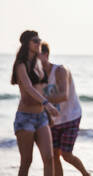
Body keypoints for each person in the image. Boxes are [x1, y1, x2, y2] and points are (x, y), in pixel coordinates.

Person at [11, 30, 59, 176]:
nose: (39, 43)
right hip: (25, 117)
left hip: (41, 117)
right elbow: (28, 87)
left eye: (39, 40)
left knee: (49, 158)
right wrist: (47, 104)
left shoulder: (38, 64)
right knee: (26, 161)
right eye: (35, 41)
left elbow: (43, 89)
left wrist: (47, 110)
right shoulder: (21, 65)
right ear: (27, 44)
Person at [38, 42, 89, 176]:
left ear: (46, 55)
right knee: (54, 156)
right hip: (53, 120)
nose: (34, 60)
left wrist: (40, 98)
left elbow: (63, 95)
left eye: (37, 56)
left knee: (66, 154)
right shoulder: (37, 76)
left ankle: (86, 174)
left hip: (71, 116)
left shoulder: (60, 70)